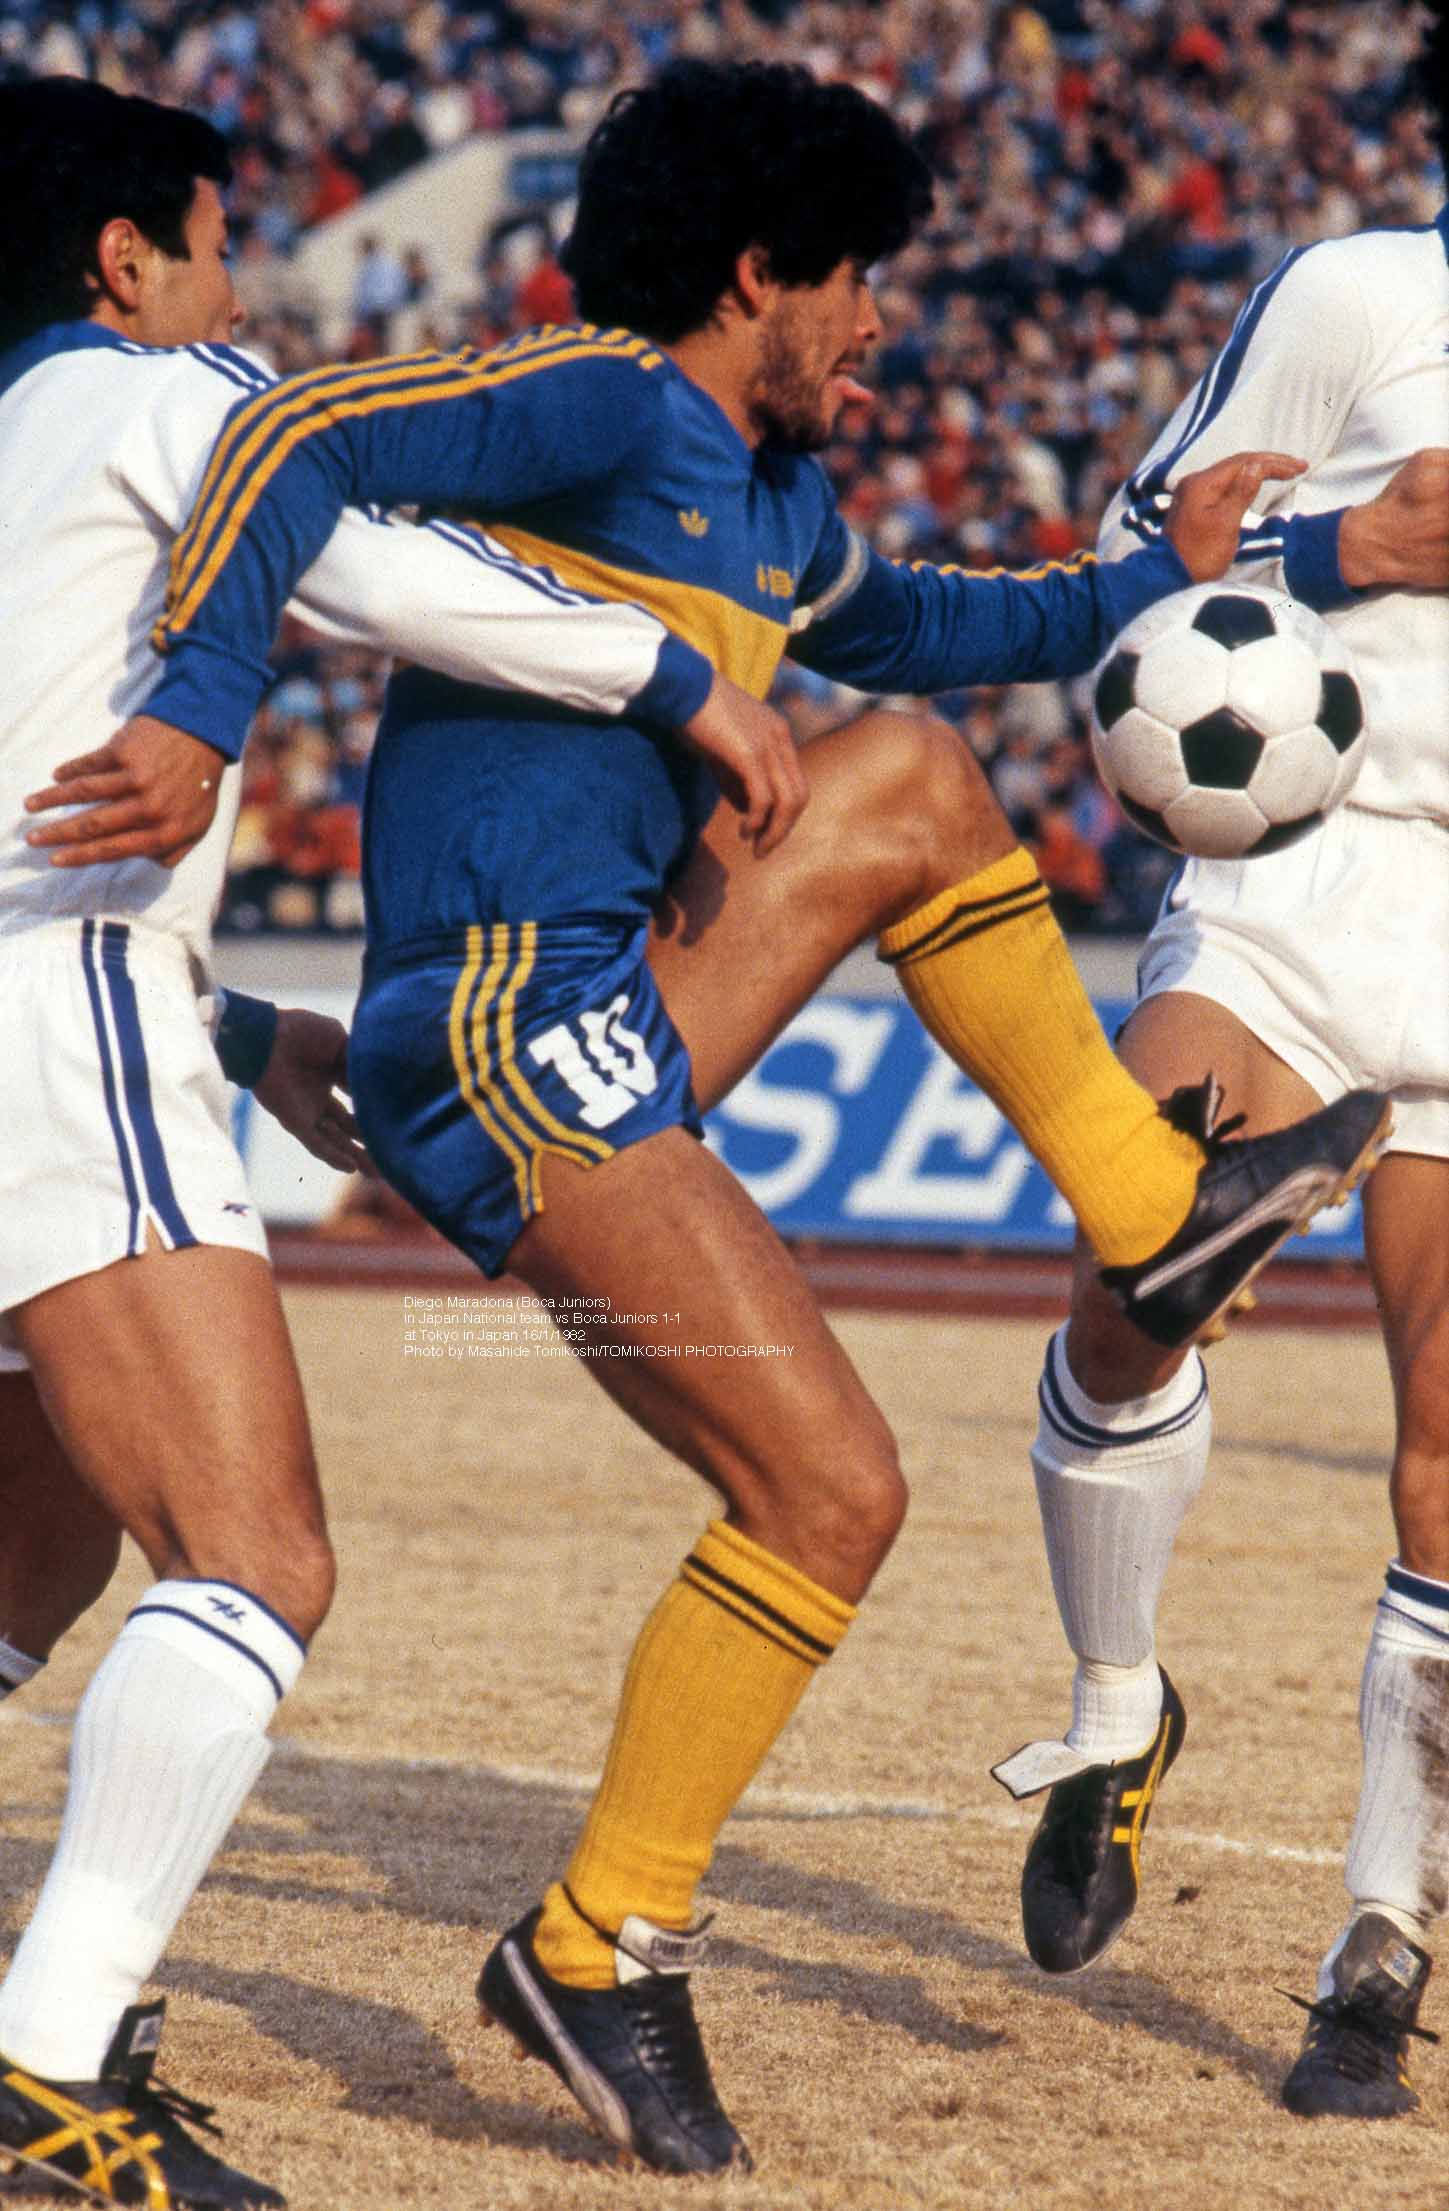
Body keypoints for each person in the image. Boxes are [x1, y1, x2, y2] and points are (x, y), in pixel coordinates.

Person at [64, 60, 1396, 2178]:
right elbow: (291, 435)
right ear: (756, 270)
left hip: (601, 1008)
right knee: (828, 1489)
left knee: (917, 779)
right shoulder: (598, 400)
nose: (881, 328)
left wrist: (1221, 558)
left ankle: (1149, 1207)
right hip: (496, 1025)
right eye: (856, 282)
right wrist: (207, 714)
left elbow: (960, 626)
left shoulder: (771, 502)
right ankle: (594, 1943)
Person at [0, 76, 780, 2211]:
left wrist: (239, 1026)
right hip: (55, 1006)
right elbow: (374, 552)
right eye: (215, 246)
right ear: (126, 263)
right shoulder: (161, 395)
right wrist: (673, 674)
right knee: (252, 1557)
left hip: (55, 1007)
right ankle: (49, 2061)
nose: (241, 293)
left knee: (34, 1548)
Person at [991, 12, 1449, 2126]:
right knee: (1127, 1264)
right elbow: (1131, 542)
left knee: (1442, 1459)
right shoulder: (1359, 295)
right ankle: (1114, 1703)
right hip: (1299, 870)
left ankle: (1375, 1944)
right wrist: (1344, 557)